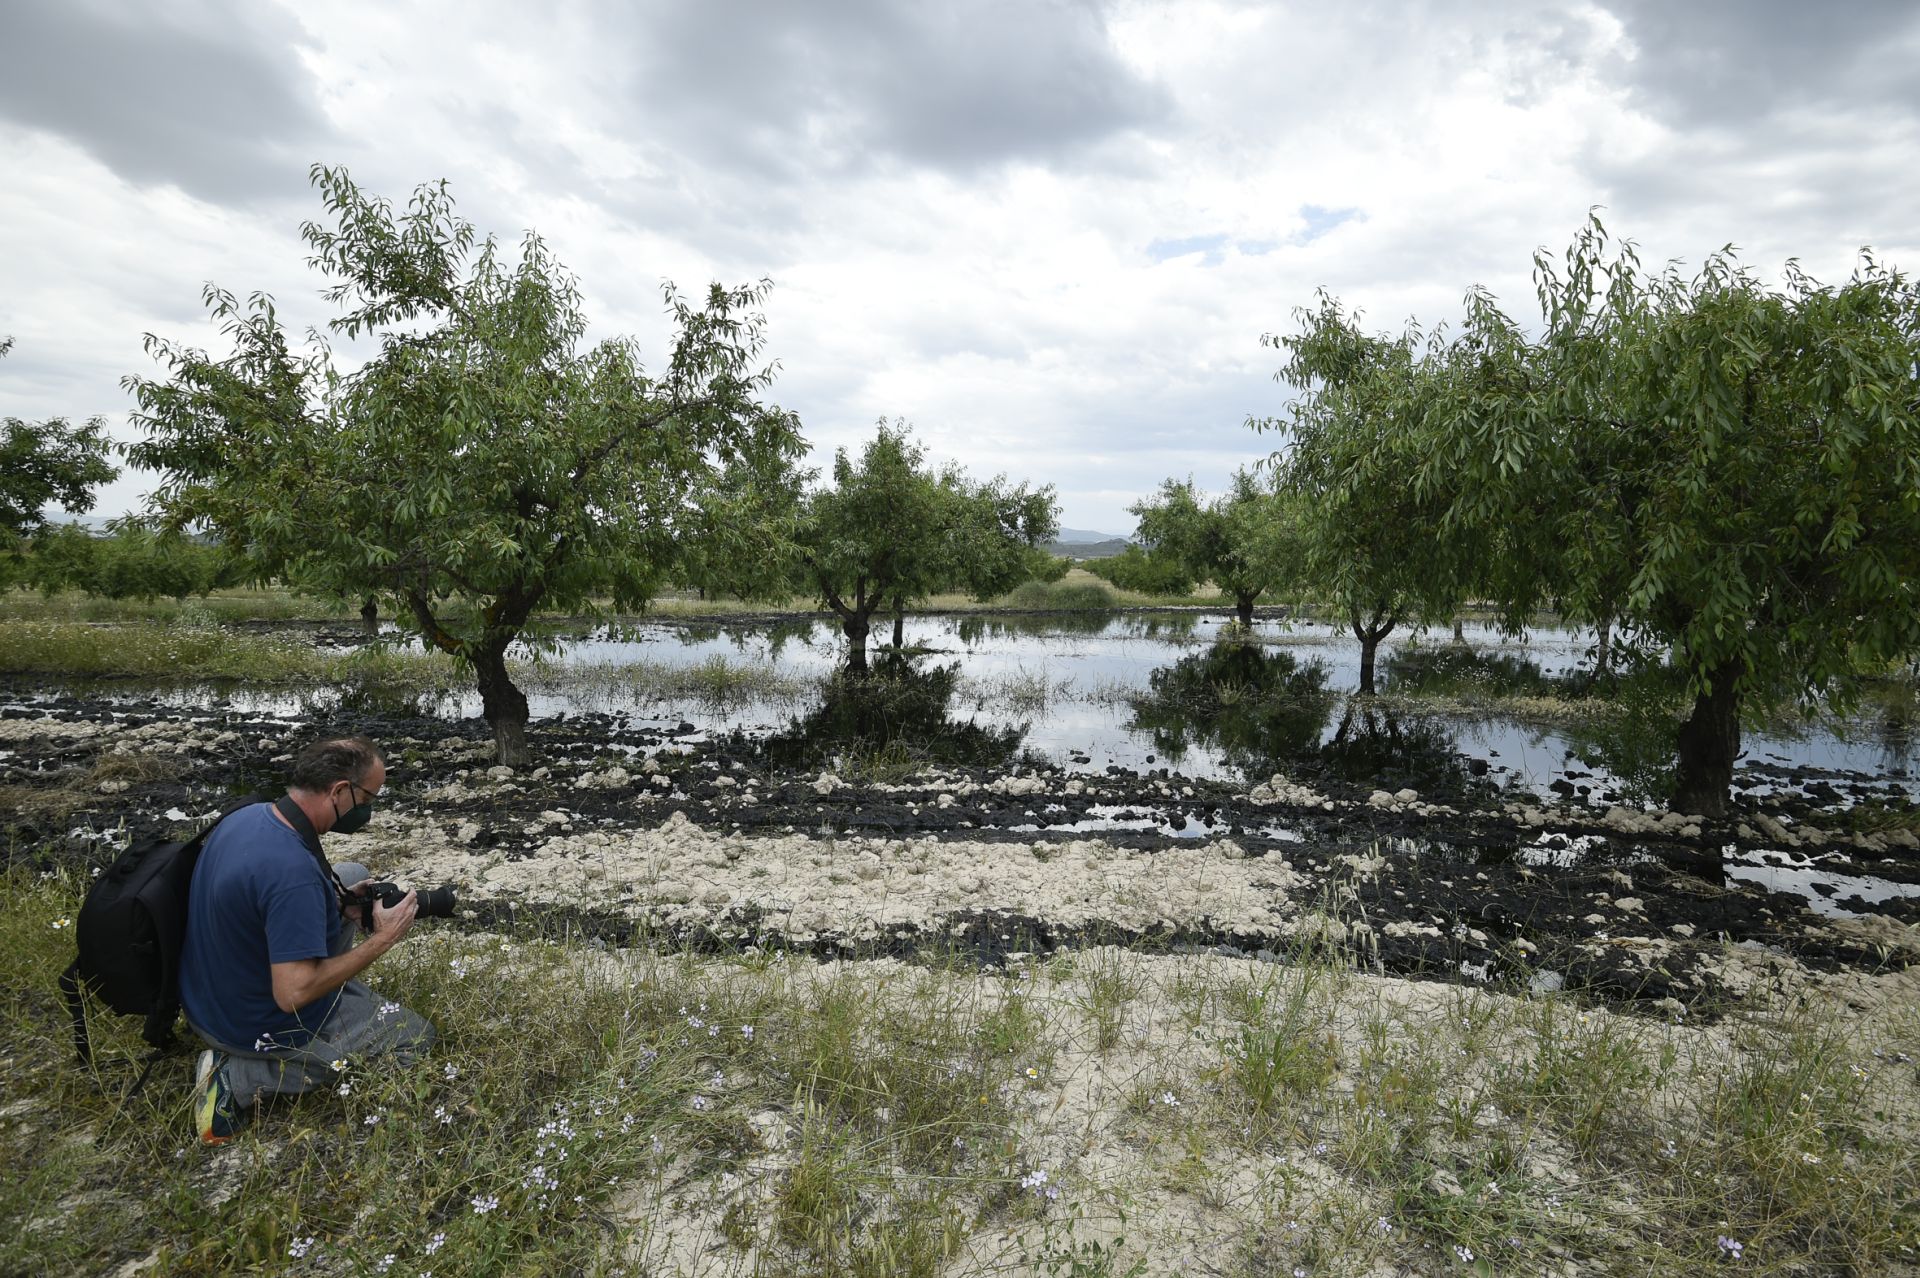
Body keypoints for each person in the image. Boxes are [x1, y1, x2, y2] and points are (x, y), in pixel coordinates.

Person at [181, 734, 434, 1144]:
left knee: (349, 875)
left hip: (203, 991)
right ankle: (234, 1077)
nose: (368, 809)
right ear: (339, 791)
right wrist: (381, 940)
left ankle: (330, 986)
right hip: (243, 1024)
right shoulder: (291, 874)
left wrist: (342, 904)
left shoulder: (252, 815)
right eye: (368, 799)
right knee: (415, 1036)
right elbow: (292, 995)